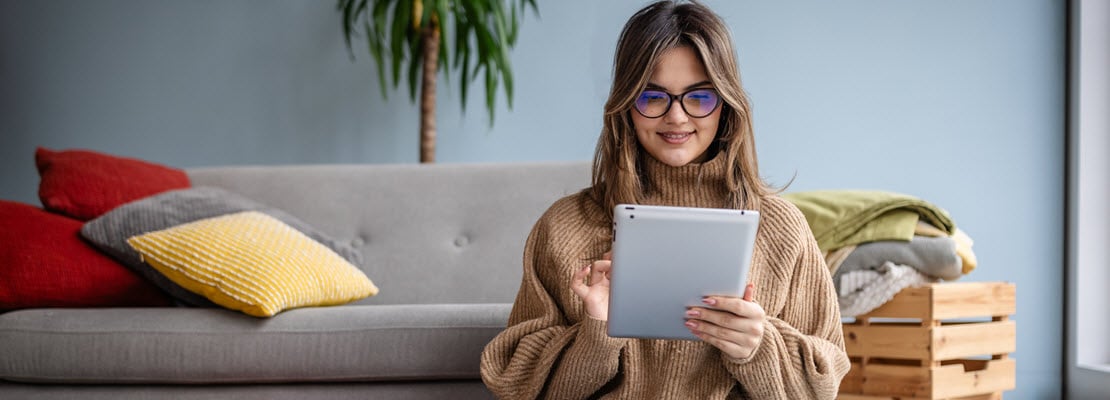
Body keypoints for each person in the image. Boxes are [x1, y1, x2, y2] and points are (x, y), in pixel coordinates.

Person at [479, 1, 849, 399]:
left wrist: (758, 348)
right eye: (653, 96)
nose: (676, 117)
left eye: (699, 96)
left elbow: (822, 387)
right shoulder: (563, 227)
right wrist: (596, 334)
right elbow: (515, 384)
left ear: (725, 106)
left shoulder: (781, 228)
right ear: (626, 105)